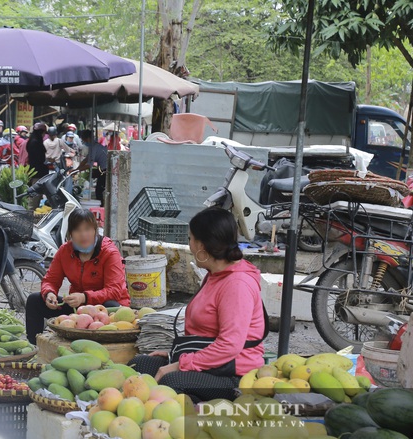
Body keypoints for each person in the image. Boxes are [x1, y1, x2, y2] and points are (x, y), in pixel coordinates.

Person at [128, 207, 268, 402]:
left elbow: (229, 346)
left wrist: (180, 364)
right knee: (140, 365)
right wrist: (175, 354)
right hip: (210, 363)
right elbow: (206, 334)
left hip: (233, 375)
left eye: (190, 239)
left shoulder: (237, 285)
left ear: (202, 245)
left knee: (170, 382)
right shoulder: (214, 275)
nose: (190, 245)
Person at [25, 209, 130, 344]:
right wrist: (49, 294)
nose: (83, 235)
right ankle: (34, 348)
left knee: (110, 305)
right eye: (77, 230)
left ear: (95, 231)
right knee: (35, 300)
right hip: (78, 309)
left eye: (87, 229)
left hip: (105, 309)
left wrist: (85, 297)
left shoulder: (109, 253)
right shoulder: (65, 251)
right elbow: (50, 280)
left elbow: (114, 291)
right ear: (70, 234)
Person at [79, 130, 108, 206]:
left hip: (105, 170)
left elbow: (89, 164)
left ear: (87, 138)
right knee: (99, 189)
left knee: (99, 191)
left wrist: (78, 170)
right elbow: (86, 159)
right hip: (103, 169)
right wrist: (77, 169)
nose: (83, 142)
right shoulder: (94, 146)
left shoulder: (94, 147)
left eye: (83, 140)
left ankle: (101, 208)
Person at [26, 122, 48, 209]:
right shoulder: (35, 143)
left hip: (34, 171)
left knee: (36, 196)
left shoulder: (32, 141)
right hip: (37, 173)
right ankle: (30, 214)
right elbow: (39, 158)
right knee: (35, 196)